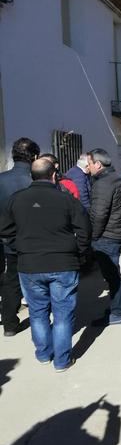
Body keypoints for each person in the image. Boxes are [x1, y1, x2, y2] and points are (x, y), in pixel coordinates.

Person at [0, 158, 90, 371]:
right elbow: (84, 229)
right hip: (63, 262)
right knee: (62, 313)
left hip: (29, 264)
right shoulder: (66, 199)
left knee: (37, 311)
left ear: (32, 176)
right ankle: (62, 360)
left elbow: (4, 230)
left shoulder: (16, 199)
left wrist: (19, 245)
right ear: (53, 175)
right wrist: (79, 251)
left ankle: (43, 354)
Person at [0, 137, 39, 336]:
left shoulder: (1, 179)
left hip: (8, 240)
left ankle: (9, 325)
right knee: (38, 283)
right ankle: (41, 323)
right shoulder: (37, 181)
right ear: (34, 157)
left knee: (11, 282)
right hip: (35, 241)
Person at [87, 148, 121, 325]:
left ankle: (117, 312)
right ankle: (116, 307)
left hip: (107, 236)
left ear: (98, 164)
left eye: (89, 164)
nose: (87, 168)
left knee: (112, 274)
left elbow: (98, 215)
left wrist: (93, 237)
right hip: (115, 233)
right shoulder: (115, 179)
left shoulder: (103, 184)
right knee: (113, 274)